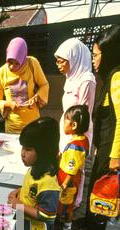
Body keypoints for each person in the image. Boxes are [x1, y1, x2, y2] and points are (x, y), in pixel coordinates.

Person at [78, 26, 120, 230]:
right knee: (95, 185)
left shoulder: (117, 77)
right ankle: (88, 222)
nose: (94, 60)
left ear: (109, 53)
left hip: (110, 149)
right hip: (103, 146)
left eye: (96, 55)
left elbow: (119, 121)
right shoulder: (110, 76)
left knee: (103, 191)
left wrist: (114, 157)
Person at [55, 38, 96, 207]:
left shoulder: (86, 80)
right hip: (67, 130)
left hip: (78, 134)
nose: (58, 65)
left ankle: (72, 208)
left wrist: (73, 139)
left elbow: (83, 113)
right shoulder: (71, 76)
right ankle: (62, 205)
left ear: (74, 59)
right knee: (64, 168)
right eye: (57, 61)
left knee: (75, 171)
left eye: (61, 61)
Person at [0, 37, 49, 134]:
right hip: (12, 126)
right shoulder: (1, 72)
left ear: (23, 59)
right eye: (10, 62)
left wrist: (37, 97)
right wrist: (9, 104)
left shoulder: (32, 63)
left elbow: (44, 85)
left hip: (32, 124)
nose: (12, 67)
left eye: (16, 63)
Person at [57, 105, 90, 230]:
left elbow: (71, 168)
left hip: (68, 180)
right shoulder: (84, 140)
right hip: (75, 178)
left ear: (74, 125)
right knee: (68, 203)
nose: (63, 123)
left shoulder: (74, 147)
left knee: (67, 204)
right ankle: (65, 222)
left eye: (65, 120)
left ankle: (66, 228)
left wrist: (65, 183)